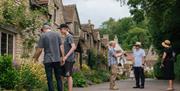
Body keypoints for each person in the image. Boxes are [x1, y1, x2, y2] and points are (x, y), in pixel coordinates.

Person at [33, 24, 63, 91]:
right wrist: (62, 57)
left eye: (42, 30)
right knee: (58, 78)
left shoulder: (43, 35)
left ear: (43, 29)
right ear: (49, 28)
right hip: (57, 59)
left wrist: (35, 58)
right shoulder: (57, 34)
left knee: (49, 79)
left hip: (48, 60)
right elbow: (61, 47)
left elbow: (39, 49)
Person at [57, 24, 76, 91]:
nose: (60, 31)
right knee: (61, 75)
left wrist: (66, 56)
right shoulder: (65, 37)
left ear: (65, 29)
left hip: (69, 60)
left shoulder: (69, 36)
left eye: (61, 29)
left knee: (68, 76)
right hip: (64, 59)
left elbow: (73, 47)